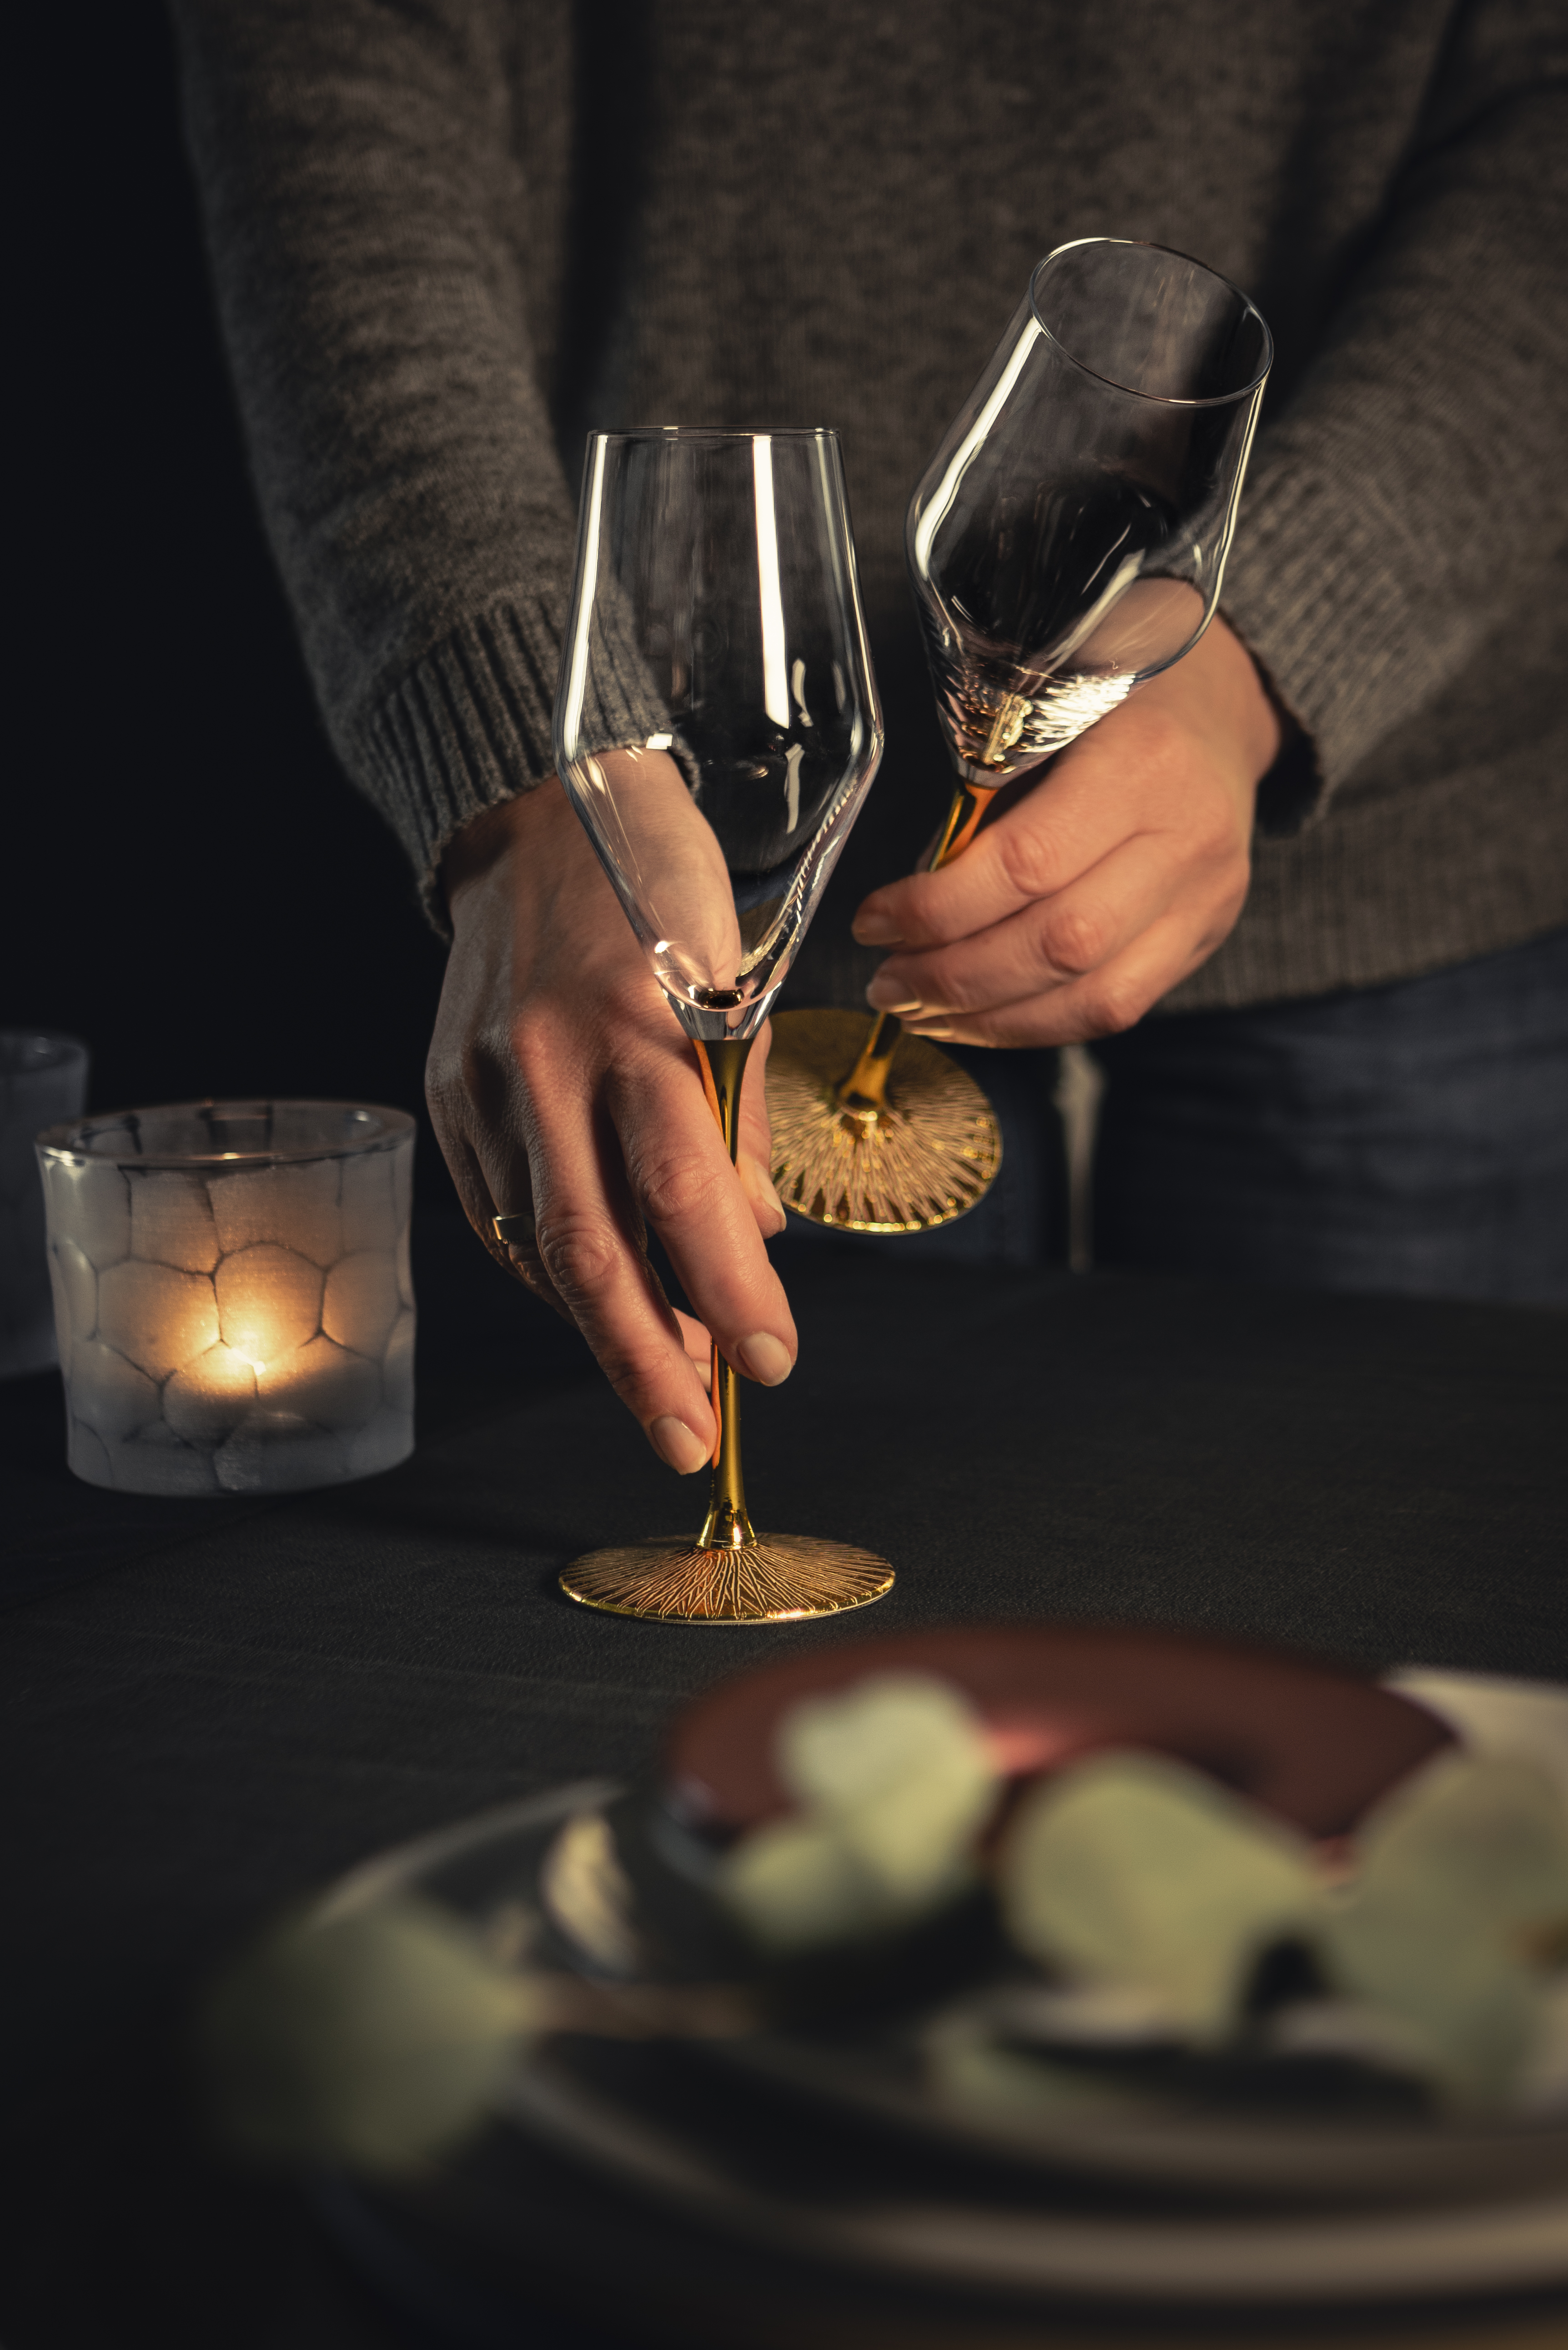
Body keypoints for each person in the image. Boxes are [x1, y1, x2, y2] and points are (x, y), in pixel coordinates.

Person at [171, 0, 1568, 1477]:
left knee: (1362, 1587)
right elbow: (329, 64)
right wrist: (530, 758)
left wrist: (1269, 638)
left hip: (1400, 856)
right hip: (666, 878)